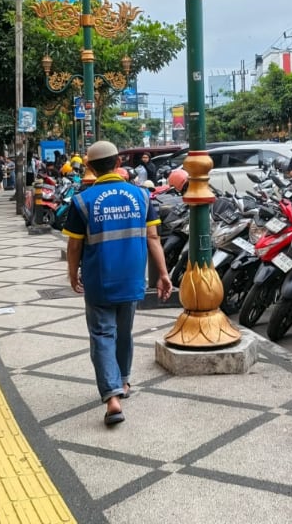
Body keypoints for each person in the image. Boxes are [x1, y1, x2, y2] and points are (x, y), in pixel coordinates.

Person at [62, 140, 172, 426]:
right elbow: (153, 238)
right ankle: (123, 381)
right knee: (124, 332)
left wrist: (72, 273)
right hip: (132, 278)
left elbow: (74, 246)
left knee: (102, 335)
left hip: (99, 280)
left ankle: (112, 397)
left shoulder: (82, 201)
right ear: (118, 163)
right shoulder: (141, 196)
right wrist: (163, 274)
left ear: (89, 167)